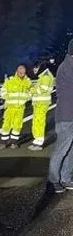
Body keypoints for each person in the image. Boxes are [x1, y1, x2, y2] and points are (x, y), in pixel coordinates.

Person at [48, 39, 73, 192]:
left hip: (70, 115)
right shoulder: (68, 66)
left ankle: (66, 178)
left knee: (71, 150)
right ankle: (53, 180)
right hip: (66, 116)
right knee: (62, 149)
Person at [0, 63, 32, 148]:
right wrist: (8, 98)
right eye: (20, 71)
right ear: (17, 71)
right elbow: (3, 91)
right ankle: (3, 143)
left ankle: (14, 142)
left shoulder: (27, 82)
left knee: (17, 126)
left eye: (23, 71)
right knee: (6, 125)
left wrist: (26, 98)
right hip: (10, 107)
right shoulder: (10, 80)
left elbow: (30, 92)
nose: (22, 73)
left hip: (20, 108)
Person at [28, 58, 56, 150]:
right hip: (39, 103)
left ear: (40, 67)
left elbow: (42, 89)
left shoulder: (46, 77)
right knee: (37, 122)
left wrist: (32, 90)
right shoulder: (43, 76)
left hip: (42, 103)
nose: (34, 70)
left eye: (35, 68)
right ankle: (37, 141)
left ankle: (39, 143)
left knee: (39, 122)